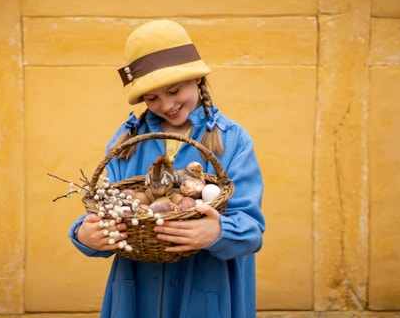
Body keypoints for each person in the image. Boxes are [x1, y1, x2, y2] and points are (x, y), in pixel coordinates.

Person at [69, 19, 265, 318]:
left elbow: (252, 230)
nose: (166, 104)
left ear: (197, 78)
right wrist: (86, 235)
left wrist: (218, 231)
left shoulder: (232, 140)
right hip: (138, 295)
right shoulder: (127, 142)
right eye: (152, 97)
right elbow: (108, 213)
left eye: (174, 90)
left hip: (206, 290)